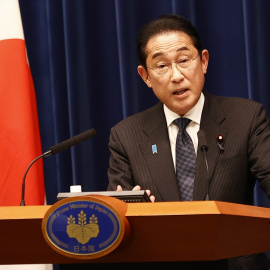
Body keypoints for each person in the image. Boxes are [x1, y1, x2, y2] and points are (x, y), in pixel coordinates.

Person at [107, 14, 270, 269]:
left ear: (203, 61)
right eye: (161, 66)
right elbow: (119, 219)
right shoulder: (127, 135)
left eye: (184, 60)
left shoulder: (245, 118)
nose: (176, 75)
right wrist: (131, 213)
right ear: (145, 76)